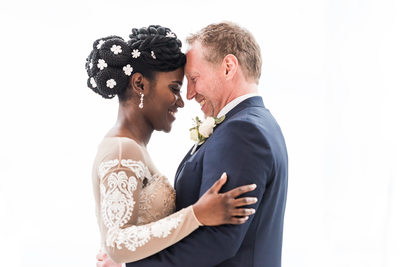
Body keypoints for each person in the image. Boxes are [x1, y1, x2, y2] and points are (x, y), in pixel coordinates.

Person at [98, 22, 288, 267]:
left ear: (228, 67)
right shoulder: (261, 123)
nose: (188, 94)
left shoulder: (242, 132)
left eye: (194, 79)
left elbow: (218, 240)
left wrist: (131, 264)